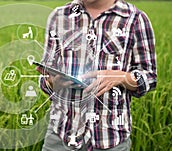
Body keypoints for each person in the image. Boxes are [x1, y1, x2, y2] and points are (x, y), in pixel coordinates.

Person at [38, 0, 157, 150]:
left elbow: (150, 77)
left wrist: (120, 77)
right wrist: (52, 82)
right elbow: (45, 75)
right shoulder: (59, 16)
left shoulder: (134, 19)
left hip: (110, 139)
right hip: (60, 136)